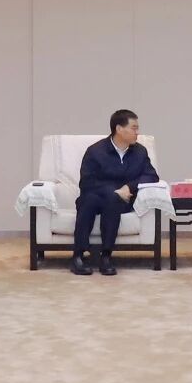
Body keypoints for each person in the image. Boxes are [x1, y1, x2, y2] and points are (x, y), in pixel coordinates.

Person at [71, 110, 159, 276]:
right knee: (88, 201)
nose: (137, 132)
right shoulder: (95, 151)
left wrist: (129, 187)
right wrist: (113, 191)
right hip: (95, 197)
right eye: (134, 128)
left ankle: (106, 256)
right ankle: (78, 255)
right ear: (119, 129)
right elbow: (87, 182)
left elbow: (151, 176)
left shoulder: (140, 152)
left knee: (113, 200)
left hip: (123, 201)